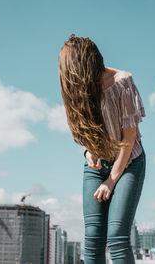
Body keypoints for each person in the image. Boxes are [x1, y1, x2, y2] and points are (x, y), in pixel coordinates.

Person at [58, 34, 146, 264]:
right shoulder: (78, 89)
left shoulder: (122, 83)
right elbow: (83, 129)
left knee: (116, 238)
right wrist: (88, 152)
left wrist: (111, 181)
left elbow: (129, 139)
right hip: (98, 165)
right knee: (93, 239)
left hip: (129, 162)